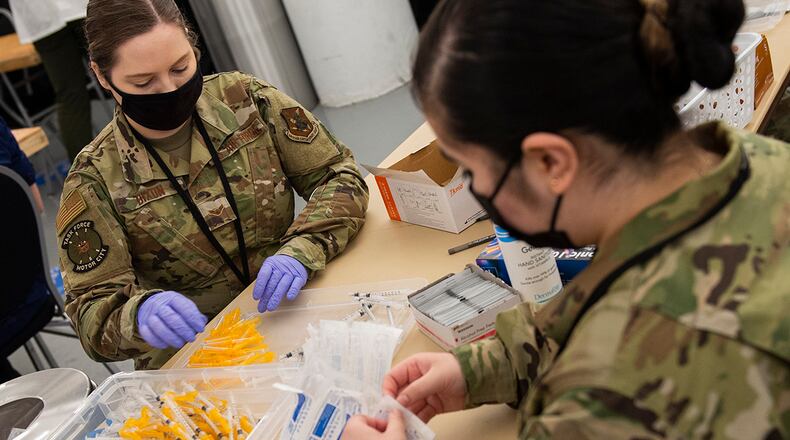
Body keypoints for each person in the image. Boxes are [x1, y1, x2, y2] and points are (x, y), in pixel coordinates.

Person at [344, 0, 789, 438]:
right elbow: (594, 308)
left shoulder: (602, 399)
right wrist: (481, 369)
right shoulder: (756, 161)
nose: (474, 187)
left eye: (472, 169)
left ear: (551, 163)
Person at [56, 0, 369, 370]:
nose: (169, 89)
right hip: (206, 360)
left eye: (180, 67)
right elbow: (92, 316)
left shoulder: (244, 100)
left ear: (194, 46)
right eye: (143, 82)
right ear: (102, 76)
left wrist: (302, 249)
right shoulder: (94, 180)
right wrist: (138, 317)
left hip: (300, 309)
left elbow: (340, 176)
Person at [9, 0, 93, 161]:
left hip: (40, 15)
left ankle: (86, 176)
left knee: (71, 96)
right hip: (78, 7)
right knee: (120, 71)